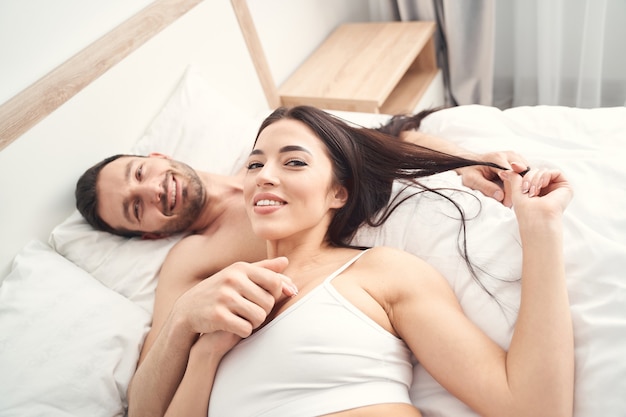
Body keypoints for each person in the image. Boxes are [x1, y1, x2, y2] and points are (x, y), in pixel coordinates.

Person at [125, 105, 573, 416]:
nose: (265, 176)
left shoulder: (382, 273)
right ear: (144, 234)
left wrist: (539, 229)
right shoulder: (214, 306)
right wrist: (200, 343)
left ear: (339, 192)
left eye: (293, 162)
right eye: (256, 165)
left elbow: (532, 407)